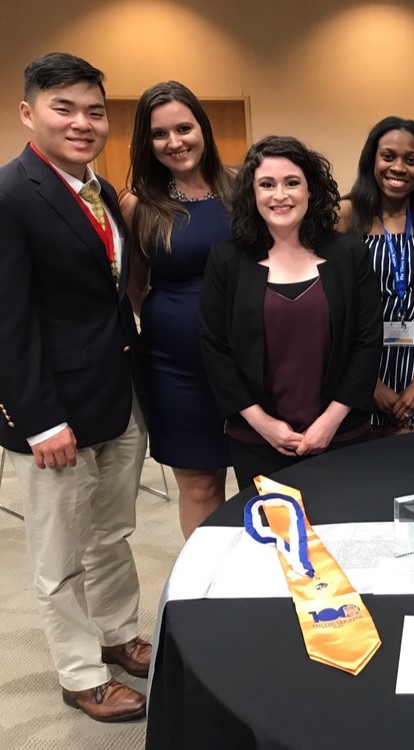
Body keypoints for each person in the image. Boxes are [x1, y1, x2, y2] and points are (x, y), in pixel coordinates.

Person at [0, 53, 150, 722]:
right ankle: (80, 672)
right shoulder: (10, 195)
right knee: (59, 556)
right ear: (29, 113)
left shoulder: (97, 192)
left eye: (94, 110)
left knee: (112, 534)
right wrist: (37, 420)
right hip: (53, 412)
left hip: (115, 396)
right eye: (64, 108)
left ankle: (117, 634)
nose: (83, 122)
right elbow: (8, 321)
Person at [200, 136, 382, 487]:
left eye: (292, 183)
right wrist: (263, 424)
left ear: (310, 189)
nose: (279, 195)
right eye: (266, 184)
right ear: (252, 195)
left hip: (340, 434)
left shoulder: (350, 254)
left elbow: (367, 341)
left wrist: (329, 422)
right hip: (257, 439)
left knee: (340, 534)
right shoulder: (226, 260)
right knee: (269, 536)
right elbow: (216, 349)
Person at [121, 81, 233, 538]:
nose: (175, 142)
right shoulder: (139, 204)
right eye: (159, 134)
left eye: (183, 128)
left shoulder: (243, 186)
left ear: (202, 128)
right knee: (201, 486)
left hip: (250, 360)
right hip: (176, 368)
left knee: (267, 482)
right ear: (146, 142)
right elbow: (135, 285)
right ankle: (208, 593)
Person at [338, 117, 414, 435]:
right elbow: (335, 308)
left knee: (407, 473)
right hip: (359, 366)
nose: (399, 167)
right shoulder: (346, 217)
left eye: (411, 160)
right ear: (372, 160)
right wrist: (368, 381)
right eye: (388, 156)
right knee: (363, 474)